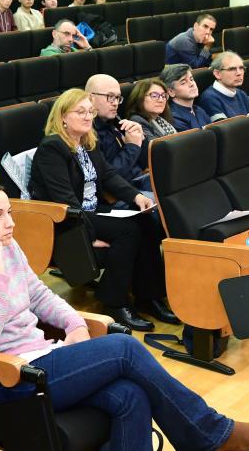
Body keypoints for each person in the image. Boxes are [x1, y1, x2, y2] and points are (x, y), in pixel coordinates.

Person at [0, 178, 249, 451]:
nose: (10, 222)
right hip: (10, 379)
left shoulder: (7, 247)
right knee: (126, 348)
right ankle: (210, 435)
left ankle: (208, 435)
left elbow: (38, 294)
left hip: (42, 356)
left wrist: (75, 323)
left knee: (130, 396)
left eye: (9, 211)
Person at [28, 89, 175, 331]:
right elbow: (65, 200)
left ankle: (149, 297)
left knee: (147, 221)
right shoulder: (52, 148)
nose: (88, 117)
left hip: (93, 210)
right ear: (63, 116)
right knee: (128, 230)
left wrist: (136, 196)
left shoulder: (87, 141)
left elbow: (107, 175)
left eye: (90, 112)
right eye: (80, 112)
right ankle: (114, 302)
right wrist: (88, 236)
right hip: (67, 220)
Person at [85, 74, 150, 192]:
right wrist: (133, 147)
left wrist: (141, 139)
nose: (115, 103)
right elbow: (108, 177)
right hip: (124, 192)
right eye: (110, 97)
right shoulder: (87, 133)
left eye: (118, 97)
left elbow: (144, 163)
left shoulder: (115, 121)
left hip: (141, 179)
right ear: (90, 98)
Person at [199, 51, 249, 119]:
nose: (239, 73)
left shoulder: (241, 93)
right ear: (217, 74)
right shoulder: (209, 99)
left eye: (241, 68)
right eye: (232, 69)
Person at [160, 63, 212, 131]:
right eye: (183, 83)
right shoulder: (173, 118)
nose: (191, 84)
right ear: (171, 92)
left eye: (191, 79)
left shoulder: (199, 110)